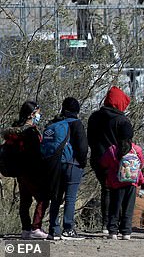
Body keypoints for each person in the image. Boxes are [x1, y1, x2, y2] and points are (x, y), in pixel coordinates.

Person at [87, 86, 133, 233]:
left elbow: (90, 139)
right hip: (117, 161)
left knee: (106, 189)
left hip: (97, 159)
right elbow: (127, 143)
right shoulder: (122, 120)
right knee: (119, 191)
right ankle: (116, 224)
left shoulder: (94, 117)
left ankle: (107, 224)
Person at [2, 101, 49, 239]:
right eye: (37, 112)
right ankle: (36, 228)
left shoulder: (15, 130)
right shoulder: (30, 131)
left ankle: (26, 229)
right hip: (32, 170)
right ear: (32, 114)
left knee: (25, 201)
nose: (39, 115)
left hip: (19, 171)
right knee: (43, 197)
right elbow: (35, 152)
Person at [47, 97, 89, 240]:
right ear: (76, 110)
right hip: (72, 165)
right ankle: (68, 228)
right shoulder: (77, 124)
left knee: (56, 197)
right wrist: (82, 163)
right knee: (70, 198)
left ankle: (53, 229)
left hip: (55, 165)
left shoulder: (54, 123)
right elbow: (83, 147)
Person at [99, 125, 144, 240]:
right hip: (132, 183)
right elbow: (141, 164)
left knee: (115, 206)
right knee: (128, 207)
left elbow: (103, 163)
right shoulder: (136, 149)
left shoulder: (112, 149)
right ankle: (126, 232)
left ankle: (113, 231)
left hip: (116, 183)